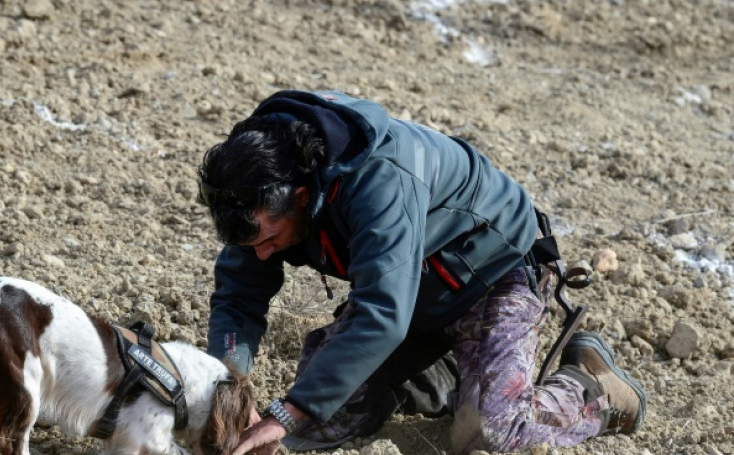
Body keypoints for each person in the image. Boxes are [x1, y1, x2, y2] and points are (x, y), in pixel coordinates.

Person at [196, 89, 647, 454]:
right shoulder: (257, 184)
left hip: (494, 273)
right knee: (320, 420)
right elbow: (239, 295)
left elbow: (382, 314)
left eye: (267, 240)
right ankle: (449, 374)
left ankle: (593, 388)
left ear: (298, 197)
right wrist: (229, 387)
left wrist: (288, 411)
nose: (261, 254)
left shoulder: (377, 179)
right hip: (416, 290)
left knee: (489, 433)